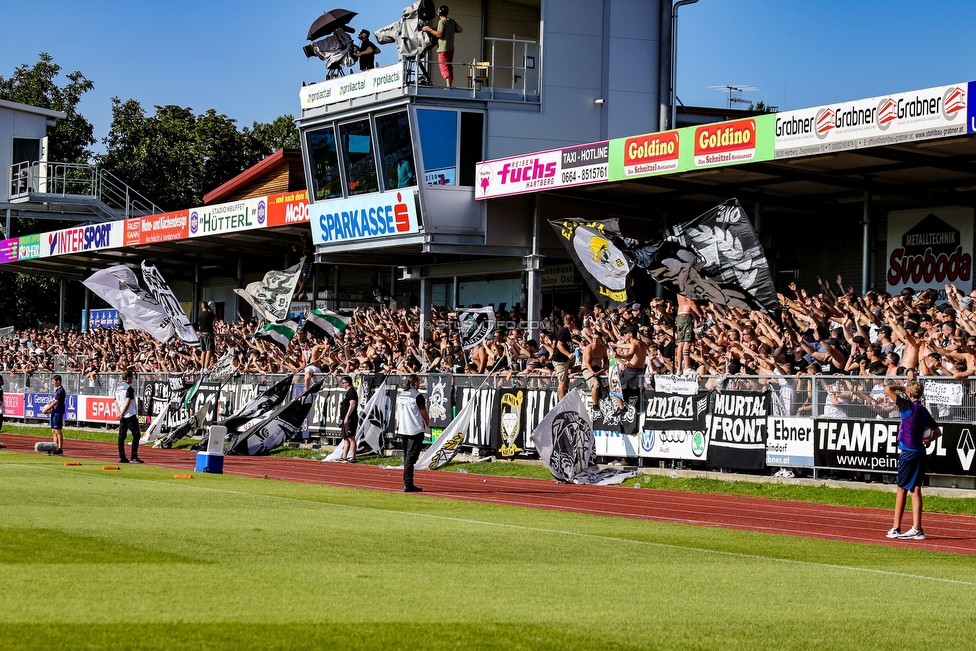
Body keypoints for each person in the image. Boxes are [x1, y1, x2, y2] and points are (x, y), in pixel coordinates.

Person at [884, 381, 941, 541]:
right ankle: (917, 528)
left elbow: (888, 388)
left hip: (908, 452)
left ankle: (896, 527)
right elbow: (937, 432)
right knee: (916, 489)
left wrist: (903, 388)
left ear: (909, 393)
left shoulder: (906, 406)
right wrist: (926, 440)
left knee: (901, 488)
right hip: (920, 452)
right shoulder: (923, 411)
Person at [396, 374, 429, 492]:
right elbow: (424, 413)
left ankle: (408, 482)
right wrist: (426, 422)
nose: (419, 384)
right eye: (419, 382)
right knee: (411, 458)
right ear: (415, 383)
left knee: (407, 457)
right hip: (414, 429)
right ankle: (408, 483)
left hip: (403, 428)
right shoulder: (418, 396)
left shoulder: (401, 394)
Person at [609, 326, 647, 417]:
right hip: (638, 370)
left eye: (626, 333)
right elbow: (627, 346)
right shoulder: (640, 342)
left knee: (613, 383)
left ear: (630, 334)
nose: (625, 335)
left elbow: (629, 356)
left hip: (631, 371)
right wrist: (616, 345)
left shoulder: (634, 343)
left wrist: (618, 355)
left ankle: (621, 407)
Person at [422, 5, 463, 87]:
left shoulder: (441, 22)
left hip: (443, 48)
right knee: (449, 66)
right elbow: (460, 30)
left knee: (444, 66)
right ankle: (449, 85)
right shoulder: (451, 21)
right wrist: (450, 31)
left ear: (440, 12)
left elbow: (440, 34)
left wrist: (428, 30)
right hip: (451, 48)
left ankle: (448, 86)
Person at [116, 370, 142, 464]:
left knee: (121, 436)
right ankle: (133, 456)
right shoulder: (129, 388)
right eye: (131, 377)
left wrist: (119, 413)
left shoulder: (118, 388)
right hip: (129, 414)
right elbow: (127, 402)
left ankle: (122, 456)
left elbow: (115, 403)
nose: (133, 379)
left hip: (122, 415)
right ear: (128, 378)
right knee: (136, 434)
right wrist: (122, 413)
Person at [551, 314, 576, 400]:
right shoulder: (564, 331)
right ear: (572, 322)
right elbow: (559, 345)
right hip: (560, 360)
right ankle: (561, 403)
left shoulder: (566, 331)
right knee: (562, 383)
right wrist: (568, 354)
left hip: (565, 360)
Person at [675, 294, 703, 373]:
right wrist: (700, 315)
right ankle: (687, 367)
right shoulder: (686, 289)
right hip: (686, 317)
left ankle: (679, 368)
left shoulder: (679, 289)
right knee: (687, 342)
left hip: (680, 316)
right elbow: (691, 303)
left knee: (681, 343)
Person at [40, 374, 66, 455]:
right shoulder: (57, 390)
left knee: (58, 430)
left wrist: (46, 409)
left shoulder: (61, 390)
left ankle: (60, 448)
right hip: (55, 412)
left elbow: (56, 402)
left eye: (53, 381)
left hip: (58, 412)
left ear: (58, 381)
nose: (52, 383)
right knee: (54, 431)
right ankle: (55, 447)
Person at [338, 375, 359, 462]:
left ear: (348, 383)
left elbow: (352, 404)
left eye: (344, 383)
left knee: (351, 437)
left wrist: (347, 416)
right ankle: (344, 456)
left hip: (350, 418)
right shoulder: (347, 392)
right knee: (345, 438)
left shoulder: (352, 391)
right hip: (345, 418)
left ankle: (353, 457)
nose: (343, 384)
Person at [197, 302, 215, 369]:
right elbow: (216, 318)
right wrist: (211, 310)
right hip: (208, 333)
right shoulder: (210, 314)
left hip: (201, 333)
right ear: (207, 306)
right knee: (209, 350)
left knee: (203, 350)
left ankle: (202, 366)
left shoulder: (199, 315)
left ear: (202, 307)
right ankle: (206, 366)